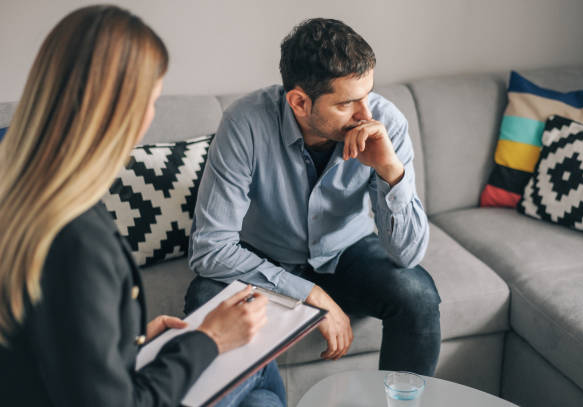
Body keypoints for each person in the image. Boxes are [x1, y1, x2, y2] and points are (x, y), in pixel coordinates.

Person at [0, 6, 286, 407]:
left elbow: (57, 352)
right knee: (261, 376)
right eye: (152, 100)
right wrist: (209, 340)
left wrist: (126, 345)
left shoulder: (22, 198)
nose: (151, 117)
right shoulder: (77, 237)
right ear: (118, 109)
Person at [186, 18, 441, 375]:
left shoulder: (385, 122)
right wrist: (310, 294)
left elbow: (409, 253)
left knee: (418, 295)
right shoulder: (245, 124)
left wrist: (390, 171)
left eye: (367, 96)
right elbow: (210, 249)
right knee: (204, 300)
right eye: (347, 103)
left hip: (346, 251)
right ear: (300, 102)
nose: (365, 115)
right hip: (265, 255)